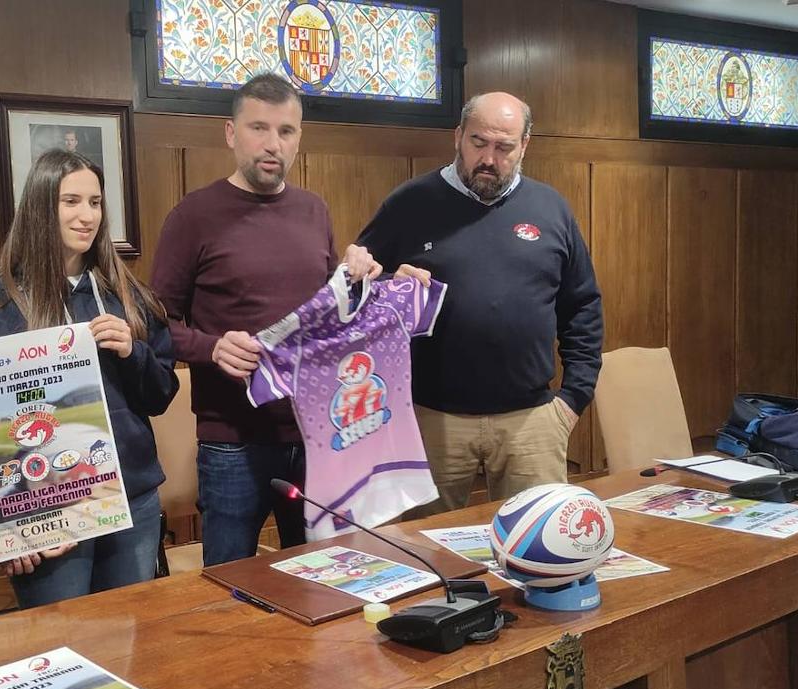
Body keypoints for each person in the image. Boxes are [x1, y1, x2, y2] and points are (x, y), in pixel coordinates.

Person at [150, 73, 386, 567]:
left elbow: (329, 316)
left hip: (318, 432)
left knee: (325, 578)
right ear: (231, 133)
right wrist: (210, 347)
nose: (272, 144)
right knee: (232, 591)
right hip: (233, 441)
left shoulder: (313, 210)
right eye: (259, 128)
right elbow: (155, 327)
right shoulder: (193, 216)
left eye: (286, 131)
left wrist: (357, 280)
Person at [357, 91, 603, 514]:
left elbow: (582, 304)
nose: (489, 158)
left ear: (524, 145)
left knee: (537, 552)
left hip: (532, 420)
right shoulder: (409, 204)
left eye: (504, 147)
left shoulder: (551, 209)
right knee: (427, 551)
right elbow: (357, 295)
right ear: (458, 137)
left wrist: (573, 398)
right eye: (478, 143)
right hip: (432, 420)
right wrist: (387, 282)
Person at [0, 149, 178, 608]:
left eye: (96, 203)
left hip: (130, 496)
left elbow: (161, 395)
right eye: (71, 202)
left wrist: (132, 353)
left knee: (129, 642)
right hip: (44, 505)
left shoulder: (127, 295)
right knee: (58, 649)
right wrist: (9, 527)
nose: (87, 216)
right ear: (41, 208)